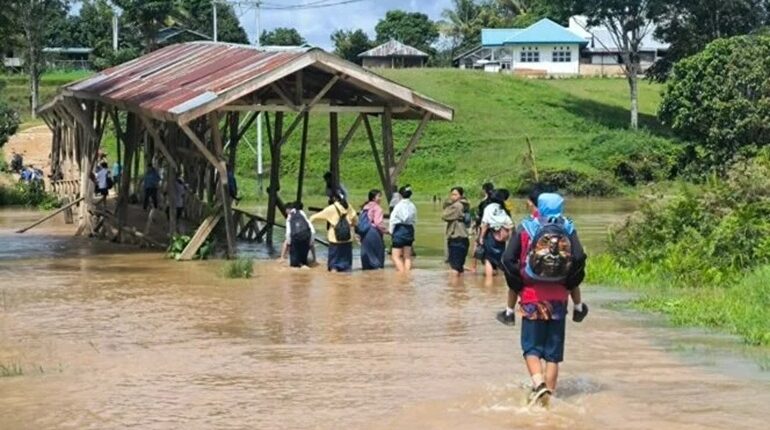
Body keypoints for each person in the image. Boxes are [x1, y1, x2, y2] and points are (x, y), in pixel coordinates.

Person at [500, 192, 588, 405]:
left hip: (532, 297)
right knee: (552, 354)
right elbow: (579, 258)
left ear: (538, 206)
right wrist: (568, 282)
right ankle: (549, 398)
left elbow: (507, 259)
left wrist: (520, 282)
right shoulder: (568, 227)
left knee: (531, 348)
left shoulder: (526, 227)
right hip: (559, 298)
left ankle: (539, 384)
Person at [310, 191, 358, 272]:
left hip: (335, 239)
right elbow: (355, 219)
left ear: (334, 198)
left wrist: (309, 224)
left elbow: (314, 217)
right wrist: (351, 225)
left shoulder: (331, 208)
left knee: (334, 266)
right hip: (347, 238)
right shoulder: (349, 207)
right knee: (346, 266)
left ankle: (333, 278)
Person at [478, 189, 513, 278]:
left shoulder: (488, 208)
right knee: (498, 257)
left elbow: (485, 223)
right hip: (502, 237)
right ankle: (497, 279)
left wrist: (481, 237)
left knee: (488, 259)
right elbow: (510, 223)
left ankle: (489, 281)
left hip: (490, 236)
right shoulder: (503, 208)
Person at [441, 186, 471, 275]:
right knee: (459, 267)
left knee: (454, 268)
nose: (452, 197)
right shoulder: (464, 205)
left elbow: (444, 216)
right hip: (463, 236)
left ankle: (453, 284)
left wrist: (449, 203)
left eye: (455, 194)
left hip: (456, 237)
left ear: (460, 195)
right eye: (452, 194)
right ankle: (460, 284)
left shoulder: (457, 206)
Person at [389, 185, 417, 273]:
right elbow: (415, 220)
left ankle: (402, 274)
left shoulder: (398, 206)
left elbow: (392, 220)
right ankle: (407, 274)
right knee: (407, 257)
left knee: (395, 256)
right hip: (410, 230)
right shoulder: (412, 206)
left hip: (399, 230)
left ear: (400, 195)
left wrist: (391, 231)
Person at [358, 189, 387, 270]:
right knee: (377, 257)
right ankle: (377, 275)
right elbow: (378, 223)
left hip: (364, 233)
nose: (381, 198)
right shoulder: (377, 208)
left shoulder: (365, 207)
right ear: (374, 198)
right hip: (374, 233)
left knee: (367, 256)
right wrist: (387, 231)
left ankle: (367, 275)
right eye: (379, 196)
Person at [470, 182, 495, 273]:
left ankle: (473, 267)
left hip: (482, 226)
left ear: (484, 190)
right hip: (495, 228)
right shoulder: (495, 201)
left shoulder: (484, 202)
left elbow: (480, 216)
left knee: (476, 245)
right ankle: (493, 268)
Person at [283, 202, 315, 268]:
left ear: (288, 209)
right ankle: (306, 266)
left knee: (294, 265)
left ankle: (302, 268)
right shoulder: (302, 213)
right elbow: (311, 229)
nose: (285, 212)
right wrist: (310, 241)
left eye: (285, 210)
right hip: (307, 236)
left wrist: (289, 243)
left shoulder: (290, 215)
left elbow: (288, 232)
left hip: (296, 238)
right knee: (304, 261)